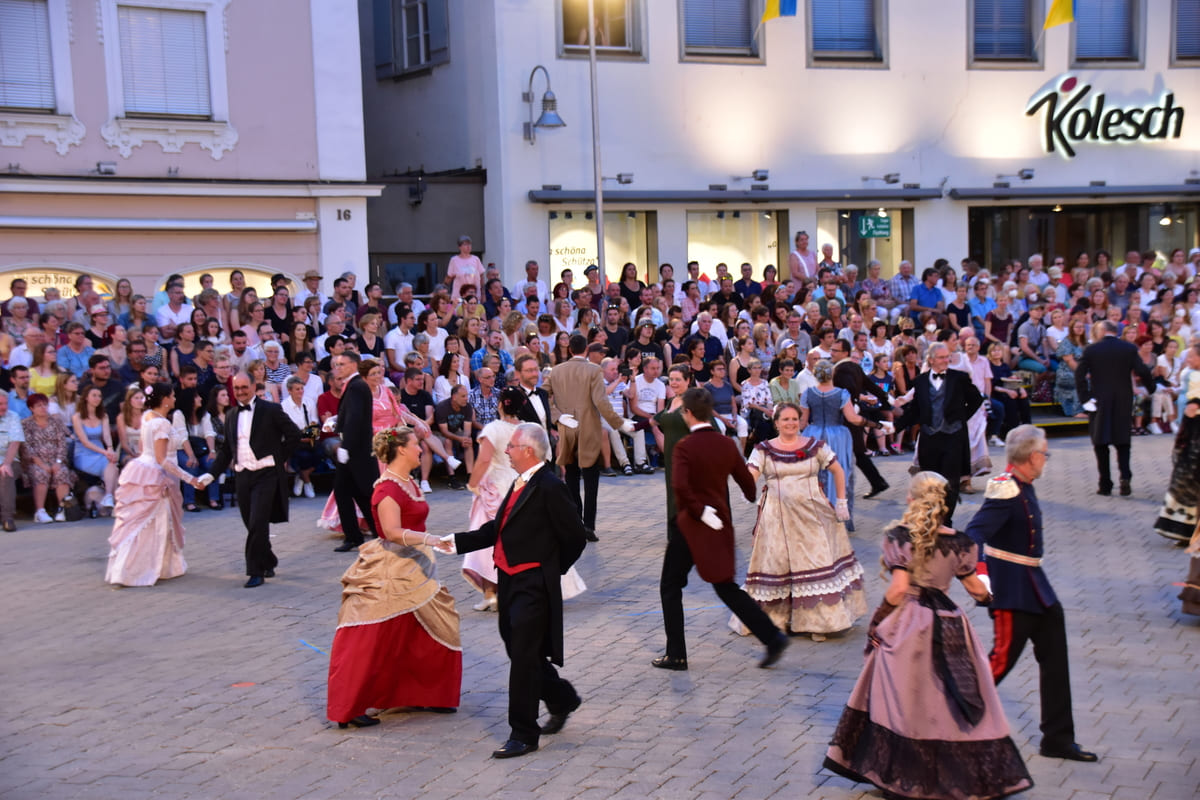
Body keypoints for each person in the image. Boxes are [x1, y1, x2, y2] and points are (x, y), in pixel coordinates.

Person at [825, 471, 1033, 799]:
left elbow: (899, 589)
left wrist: (880, 619)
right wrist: (990, 596)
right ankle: (952, 775)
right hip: (950, 623)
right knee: (944, 698)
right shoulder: (961, 543)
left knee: (904, 699)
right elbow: (977, 590)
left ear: (912, 499)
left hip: (909, 623)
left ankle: (903, 774)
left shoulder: (899, 537)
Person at [440, 423, 588, 759]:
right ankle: (562, 698)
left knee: (522, 658)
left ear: (529, 451)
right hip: (509, 581)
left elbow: (575, 536)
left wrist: (549, 570)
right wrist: (458, 542)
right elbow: (499, 528)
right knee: (520, 648)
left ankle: (523, 733)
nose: (506, 450)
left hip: (532, 585)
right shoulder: (520, 482)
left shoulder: (550, 486)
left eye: (512, 446)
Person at [966, 425, 1098, 763]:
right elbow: (974, 533)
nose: (1046, 460)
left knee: (1055, 659)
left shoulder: (1023, 484)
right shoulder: (1004, 489)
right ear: (1033, 456)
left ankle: (1057, 738)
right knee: (998, 662)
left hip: (1036, 587)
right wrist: (980, 577)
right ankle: (952, 717)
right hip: (1012, 591)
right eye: (1045, 454)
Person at [326, 426, 462, 728]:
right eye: (416, 444)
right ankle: (352, 705)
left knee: (430, 626)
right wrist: (430, 539)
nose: (420, 448)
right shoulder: (387, 488)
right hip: (391, 567)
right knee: (372, 633)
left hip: (417, 567)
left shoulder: (408, 481)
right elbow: (390, 532)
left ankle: (425, 692)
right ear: (401, 449)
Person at [653, 387, 789, 672]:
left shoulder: (685, 447)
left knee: (670, 586)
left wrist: (700, 511)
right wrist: (749, 495)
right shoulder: (727, 444)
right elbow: (747, 483)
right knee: (725, 585)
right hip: (718, 525)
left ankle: (676, 654)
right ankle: (772, 638)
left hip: (690, 525)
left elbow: (679, 486)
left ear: (688, 413)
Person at [738, 402, 862, 640]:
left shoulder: (814, 446)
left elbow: (838, 470)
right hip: (776, 515)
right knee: (777, 563)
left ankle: (818, 624)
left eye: (795, 419)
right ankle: (776, 619)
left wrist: (842, 502)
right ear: (776, 423)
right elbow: (750, 474)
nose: (791, 423)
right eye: (785, 419)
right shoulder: (763, 449)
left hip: (811, 513)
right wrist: (745, 485)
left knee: (814, 563)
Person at [202, 373, 301, 588]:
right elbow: (227, 450)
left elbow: (294, 435)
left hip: (266, 474)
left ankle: (255, 571)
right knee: (251, 523)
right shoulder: (231, 415)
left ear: (254, 386)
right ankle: (269, 559)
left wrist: (278, 459)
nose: (240, 392)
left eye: (244, 387)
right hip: (243, 474)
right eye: (236, 388)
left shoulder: (271, 409)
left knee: (257, 521)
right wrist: (211, 474)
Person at [106, 382, 206, 586]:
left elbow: (145, 449)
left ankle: (155, 566)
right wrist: (190, 479)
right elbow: (162, 459)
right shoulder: (162, 423)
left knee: (144, 522)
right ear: (165, 399)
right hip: (156, 475)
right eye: (172, 395)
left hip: (143, 468)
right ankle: (140, 569)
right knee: (153, 522)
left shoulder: (147, 416)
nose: (175, 398)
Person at [545, 334, 634, 541]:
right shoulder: (594, 370)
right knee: (591, 478)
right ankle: (589, 525)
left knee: (572, 477)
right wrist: (619, 423)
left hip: (568, 428)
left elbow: (543, 394)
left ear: (569, 350)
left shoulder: (557, 371)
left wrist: (559, 416)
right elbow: (601, 402)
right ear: (586, 350)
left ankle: (576, 522)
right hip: (589, 428)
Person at [894, 343, 983, 523]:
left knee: (951, 481)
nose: (945, 361)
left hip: (953, 437)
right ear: (931, 359)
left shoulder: (960, 378)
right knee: (930, 481)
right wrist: (894, 426)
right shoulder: (920, 381)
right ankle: (932, 518)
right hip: (929, 438)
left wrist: (960, 418)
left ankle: (947, 520)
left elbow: (976, 399)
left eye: (947, 357)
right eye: (941, 357)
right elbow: (916, 410)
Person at [1075, 320, 1155, 496]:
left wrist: (1085, 398)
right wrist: (1151, 388)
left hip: (1099, 400)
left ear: (1102, 331)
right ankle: (1125, 476)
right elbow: (1143, 370)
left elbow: (1079, 374)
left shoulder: (1091, 349)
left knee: (1100, 441)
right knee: (1123, 440)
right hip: (1122, 399)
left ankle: (1105, 483)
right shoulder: (1128, 348)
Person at [800, 359, 865, 530]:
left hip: (813, 435)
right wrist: (874, 424)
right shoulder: (842, 394)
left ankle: (816, 517)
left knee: (814, 476)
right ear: (832, 374)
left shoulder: (808, 393)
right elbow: (853, 418)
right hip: (837, 436)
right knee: (840, 473)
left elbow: (802, 423)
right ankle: (841, 517)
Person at [330, 352, 380, 551]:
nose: (338, 367)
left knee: (366, 493)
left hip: (357, 450)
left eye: (342, 364)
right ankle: (354, 536)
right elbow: (350, 416)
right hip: (354, 449)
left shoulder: (357, 386)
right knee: (348, 492)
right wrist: (336, 421)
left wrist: (346, 447)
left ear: (354, 365)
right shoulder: (353, 386)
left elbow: (356, 418)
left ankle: (377, 534)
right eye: (336, 364)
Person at [22, 393, 73, 523]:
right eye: (39, 406)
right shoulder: (26, 424)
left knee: (61, 472)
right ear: (31, 408)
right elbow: (27, 448)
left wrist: (58, 462)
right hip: (36, 462)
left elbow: (62, 444)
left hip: (56, 460)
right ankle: (40, 511)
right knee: (41, 473)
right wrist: (42, 464)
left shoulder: (56, 422)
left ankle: (62, 509)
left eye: (45, 405)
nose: (43, 408)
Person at [71, 385, 120, 512]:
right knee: (111, 466)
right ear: (86, 397)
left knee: (112, 463)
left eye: (99, 396)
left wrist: (110, 448)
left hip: (100, 450)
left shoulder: (103, 416)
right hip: (83, 453)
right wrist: (105, 452)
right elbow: (85, 442)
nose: (97, 398)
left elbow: (107, 436)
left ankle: (109, 496)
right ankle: (116, 504)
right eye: (94, 395)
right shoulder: (77, 417)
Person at [0, 392, 24, 531]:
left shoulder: (13, 417)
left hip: (10, 459)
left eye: (5, 403)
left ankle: (7, 517)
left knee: (5, 473)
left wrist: (6, 463)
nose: (4, 407)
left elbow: (15, 443)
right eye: (0, 404)